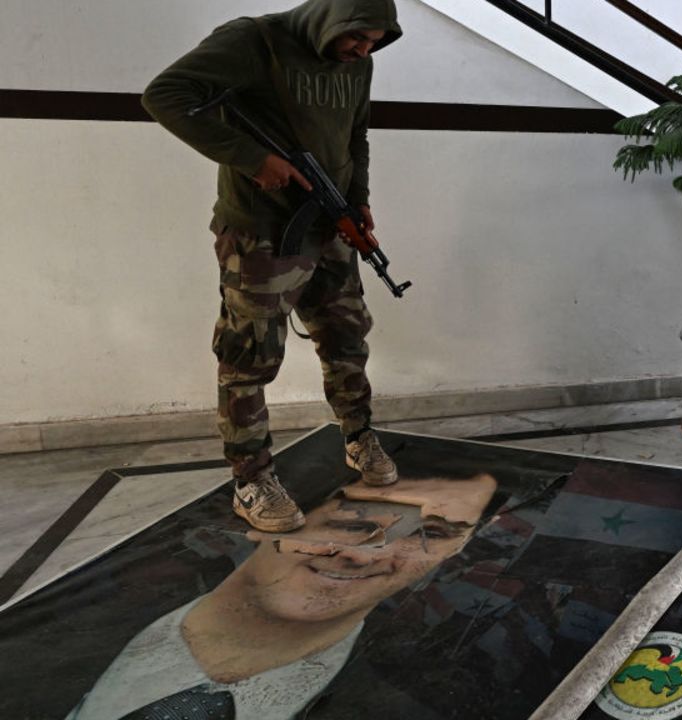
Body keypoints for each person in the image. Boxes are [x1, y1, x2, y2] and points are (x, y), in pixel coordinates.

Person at [140, 0, 404, 532]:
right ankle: (251, 479)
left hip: (330, 222)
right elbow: (164, 95)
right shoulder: (253, 41)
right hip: (260, 230)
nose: (364, 51)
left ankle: (358, 436)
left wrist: (358, 200)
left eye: (375, 42)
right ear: (332, 17)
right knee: (250, 355)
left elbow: (357, 135)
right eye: (357, 38)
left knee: (347, 335)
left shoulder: (360, 62)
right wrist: (253, 159)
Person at [66, 474, 498, 720]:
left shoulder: (405, 710)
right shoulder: (67, 622)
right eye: (352, 521)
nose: (363, 555)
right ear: (264, 520)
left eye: (428, 535)